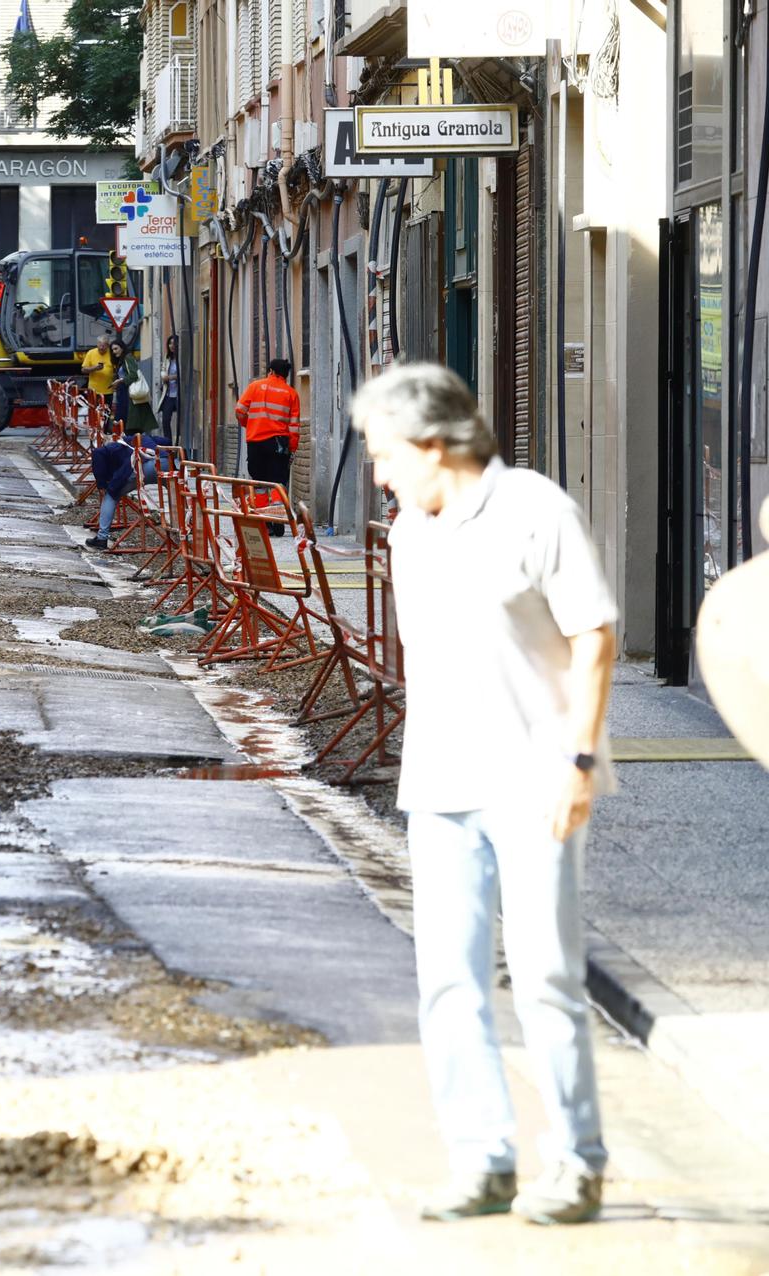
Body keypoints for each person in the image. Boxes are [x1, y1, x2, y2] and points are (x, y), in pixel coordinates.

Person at [352, 364, 614, 1227]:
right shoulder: (410, 534)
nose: (381, 474)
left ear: (434, 444)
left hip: (535, 780)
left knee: (544, 976)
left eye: (386, 454)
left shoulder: (537, 510)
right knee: (448, 984)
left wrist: (579, 762)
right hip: (439, 785)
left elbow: (595, 636)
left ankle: (576, 1165)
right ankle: (482, 1160)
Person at [235, 357, 301, 535]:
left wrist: (249, 424)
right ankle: (278, 521)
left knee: (260, 484)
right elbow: (294, 426)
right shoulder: (291, 394)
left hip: (255, 442)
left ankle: (264, 523)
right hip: (279, 444)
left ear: (271, 371)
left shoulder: (255, 386)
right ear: (285, 375)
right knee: (278, 483)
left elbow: (240, 410)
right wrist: (292, 448)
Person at [85, 430, 173, 551]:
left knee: (111, 495)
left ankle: (101, 538)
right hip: (165, 463)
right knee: (176, 494)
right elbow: (167, 441)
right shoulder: (144, 437)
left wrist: (101, 485)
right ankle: (186, 527)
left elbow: (97, 454)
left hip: (141, 465)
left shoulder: (112, 447)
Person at [81, 334, 116, 415]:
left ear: (108, 345)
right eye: (99, 346)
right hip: (94, 390)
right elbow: (83, 370)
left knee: (106, 414)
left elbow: (116, 370)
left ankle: (105, 428)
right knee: (93, 413)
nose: (101, 348)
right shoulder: (91, 353)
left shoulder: (112, 354)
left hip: (108, 391)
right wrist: (94, 368)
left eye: (103, 347)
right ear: (97, 344)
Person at [159, 335, 181, 436]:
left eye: (174, 343)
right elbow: (163, 369)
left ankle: (182, 445)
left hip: (179, 394)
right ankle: (168, 445)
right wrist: (163, 376)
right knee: (165, 420)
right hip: (168, 394)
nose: (172, 345)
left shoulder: (181, 358)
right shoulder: (167, 358)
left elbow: (183, 374)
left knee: (181, 421)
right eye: (170, 343)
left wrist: (171, 377)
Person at [109, 340, 134, 425]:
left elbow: (134, 375)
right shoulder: (121, 360)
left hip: (128, 392)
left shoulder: (128, 358)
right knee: (120, 419)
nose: (114, 352)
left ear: (122, 348)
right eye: (112, 350)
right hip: (122, 392)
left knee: (123, 419)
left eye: (116, 349)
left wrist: (119, 380)